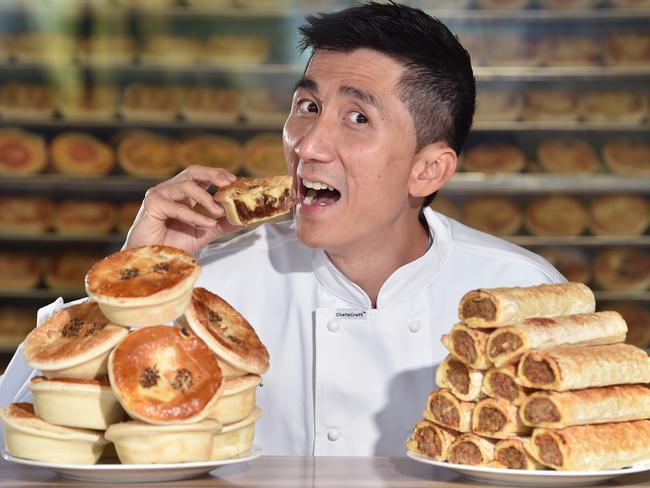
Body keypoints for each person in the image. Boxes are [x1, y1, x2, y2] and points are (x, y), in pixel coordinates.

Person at [0, 2, 563, 456]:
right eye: (307, 104)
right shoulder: (205, 285)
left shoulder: (522, 294)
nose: (308, 145)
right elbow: (19, 442)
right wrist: (139, 279)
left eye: (357, 117)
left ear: (428, 169)